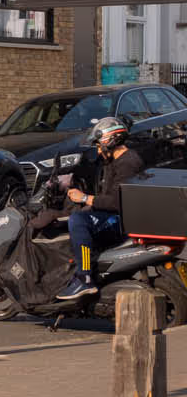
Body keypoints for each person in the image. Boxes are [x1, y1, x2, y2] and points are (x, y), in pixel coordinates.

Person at [59, 115, 145, 299]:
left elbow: (116, 201)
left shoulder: (127, 163)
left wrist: (84, 198)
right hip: (117, 217)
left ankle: (85, 278)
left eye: (99, 145)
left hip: (121, 221)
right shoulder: (115, 162)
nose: (98, 151)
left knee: (78, 221)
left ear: (109, 141)